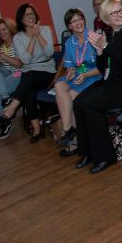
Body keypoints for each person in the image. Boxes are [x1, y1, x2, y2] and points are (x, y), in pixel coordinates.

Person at [71, 0, 122, 174]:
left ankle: (105, 156)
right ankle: (87, 152)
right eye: (114, 13)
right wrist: (100, 51)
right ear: (106, 18)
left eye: (121, 10)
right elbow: (104, 67)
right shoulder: (110, 34)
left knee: (91, 105)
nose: (120, 15)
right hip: (114, 81)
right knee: (79, 102)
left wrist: (105, 46)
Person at [0, 3, 55, 141]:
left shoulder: (45, 30)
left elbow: (49, 53)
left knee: (28, 76)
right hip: (30, 72)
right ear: (21, 20)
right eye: (26, 15)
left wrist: (38, 35)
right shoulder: (18, 38)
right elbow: (26, 60)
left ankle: (11, 108)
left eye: (32, 13)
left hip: (47, 71)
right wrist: (33, 39)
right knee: (28, 88)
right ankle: (36, 128)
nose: (30, 16)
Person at [53, 8, 100, 151]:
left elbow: (103, 66)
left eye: (80, 19)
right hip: (80, 74)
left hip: (94, 75)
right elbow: (71, 66)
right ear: (69, 26)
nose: (78, 23)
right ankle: (70, 130)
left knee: (69, 99)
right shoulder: (69, 43)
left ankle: (73, 138)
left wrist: (85, 74)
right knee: (59, 85)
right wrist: (71, 72)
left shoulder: (94, 36)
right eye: (74, 21)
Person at [0, 18, 21, 115]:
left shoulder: (18, 42)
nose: (1, 32)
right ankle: (5, 116)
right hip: (9, 75)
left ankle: (5, 103)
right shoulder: (0, 47)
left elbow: (19, 64)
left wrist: (2, 55)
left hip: (20, 74)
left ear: (10, 29)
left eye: (4, 29)